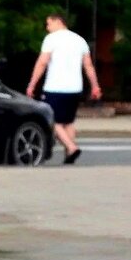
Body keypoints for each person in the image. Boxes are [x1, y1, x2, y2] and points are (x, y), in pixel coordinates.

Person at [25, 13, 102, 164]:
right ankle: (68, 156)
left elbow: (42, 63)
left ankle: (71, 147)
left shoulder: (51, 39)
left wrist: (32, 84)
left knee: (53, 121)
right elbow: (88, 66)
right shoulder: (79, 40)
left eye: (48, 24)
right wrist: (95, 86)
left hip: (55, 87)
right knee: (68, 121)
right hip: (75, 88)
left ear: (58, 22)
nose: (47, 28)